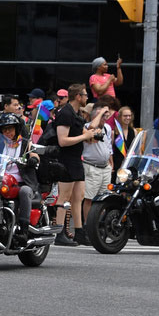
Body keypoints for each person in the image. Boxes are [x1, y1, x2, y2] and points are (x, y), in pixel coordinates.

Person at [52, 84, 92, 245]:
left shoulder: (76, 113)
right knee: (65, 196)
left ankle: (79, 232)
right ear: (78, 96)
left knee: (78, 197)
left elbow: (82, 133)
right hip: (66, 159)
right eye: (85, 95)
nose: (87, 97)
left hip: (76, 159)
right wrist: (84, 137)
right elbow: (62, 141)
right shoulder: (66, 113)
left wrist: (90, 134)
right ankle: (59, 232)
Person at [81, 99, 113, 212]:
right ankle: (87, 222)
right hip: (92, 167)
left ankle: (99, 221)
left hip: (105, 167)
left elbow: (109, 147)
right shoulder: (86, 127)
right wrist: (100, 113)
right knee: (89, 199)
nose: (105, 118)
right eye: (103, 115)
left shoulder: (107, 128)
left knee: (105, 199)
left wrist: (111, 163)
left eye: (106, 115)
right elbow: (92, 127)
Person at [111, 105, 138, 170]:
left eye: (129, 116)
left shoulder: (134, 131)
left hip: (130, 165)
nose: (128, 118)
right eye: (125, 116)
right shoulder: (114, 133)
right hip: (118, 165)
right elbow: (110, 150)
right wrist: (111, 164)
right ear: (120, 117)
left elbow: (136, 149)